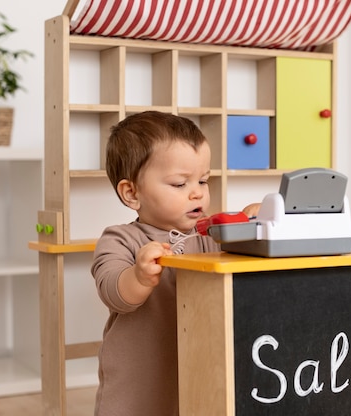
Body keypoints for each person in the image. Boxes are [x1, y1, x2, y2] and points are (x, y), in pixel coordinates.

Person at [91, 111, 258, 416]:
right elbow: (112, 291)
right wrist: (138, 278)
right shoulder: (120, 239)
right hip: (138, 383)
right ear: (132, 193)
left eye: (203, 180)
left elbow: (242, 266)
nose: (198, 192)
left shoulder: (210, 236)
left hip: (197, 369)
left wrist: (252, 225)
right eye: (180, 184)